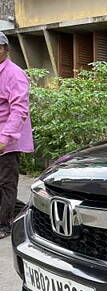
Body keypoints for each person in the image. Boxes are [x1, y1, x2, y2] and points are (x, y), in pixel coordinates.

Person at [0, 31, 33, 239]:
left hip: (7, 140)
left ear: (5, 49)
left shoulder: (14, 74)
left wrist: (4, 140)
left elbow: (19, 110)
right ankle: (27, 211)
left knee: (6, 183)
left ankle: (4, 225)